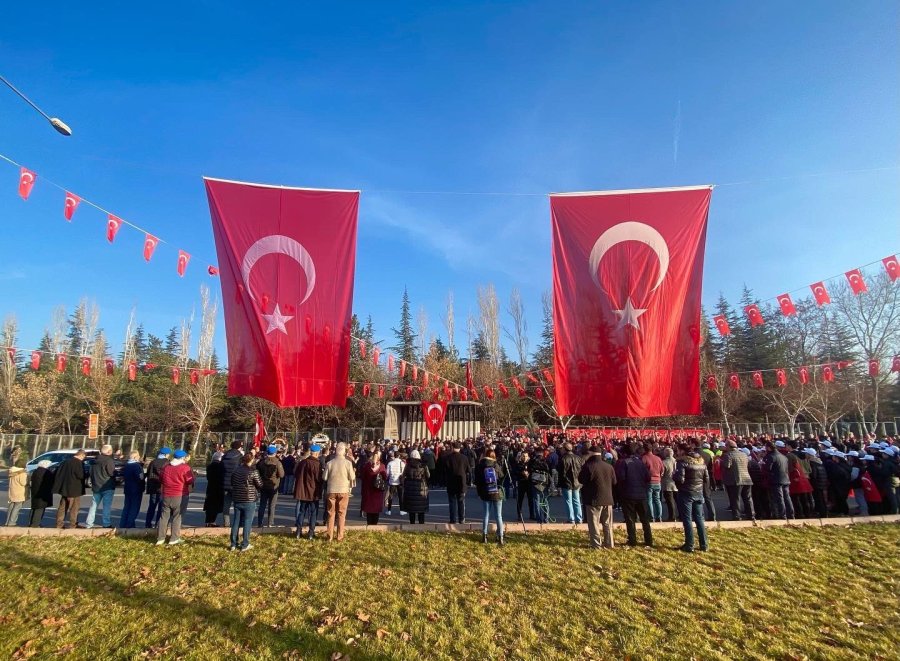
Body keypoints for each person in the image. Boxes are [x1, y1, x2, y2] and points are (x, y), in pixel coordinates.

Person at [578, 445, 617, 549]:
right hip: (608, 498)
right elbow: (614, 482)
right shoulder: (609, 466)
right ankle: (609, 543)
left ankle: (596, 544)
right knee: (607, 523)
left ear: (590, 453)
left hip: (593, 499)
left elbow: (581, 480)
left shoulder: (588, 466)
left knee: (594, 523)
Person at [673, 446, 710, 553]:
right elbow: (706, 479)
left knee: (687, 519)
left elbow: (680, 479)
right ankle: (704, 544)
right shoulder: (702, 464)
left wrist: (674, 477)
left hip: (686, 493)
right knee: (699, 519)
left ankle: (689, 544)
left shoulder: (683, 463)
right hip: (698, 492)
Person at [615, 444, 653, 547]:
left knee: (630, 519)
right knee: (645, 519)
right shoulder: (640, 462)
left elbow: (621, 477)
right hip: (641, 494)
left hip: (628, 495)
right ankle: (649, 540)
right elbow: (648, 477)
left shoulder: (624, 463)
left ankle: (632, 540)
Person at [156, 449, 194, 546]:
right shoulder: (185, 467)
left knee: (164, 517)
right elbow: (190, 481)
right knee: (177, 517)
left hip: (166, 495)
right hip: (180, 495)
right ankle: (174, 538)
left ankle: (160, 538)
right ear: (182, 458)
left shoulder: (166, 467)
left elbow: (160, 479)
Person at [322, 442, 356, 541]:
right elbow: (353, 477)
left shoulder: (330, 463)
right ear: (344, 451)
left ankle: (329, 536)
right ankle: (340, 536)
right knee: (341, 513)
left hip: (331, 490)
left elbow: (324, 477)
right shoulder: (348, 463)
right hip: (343, 490)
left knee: (330, 513)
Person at [229, 452, 262, 551]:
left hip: (237, 498)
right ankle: (245, 543)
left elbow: (232, 482)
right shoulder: (253, 471)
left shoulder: (236, 471)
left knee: (236, 521)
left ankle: (233, 543)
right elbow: (260, 484)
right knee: (247, 522)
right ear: (251, 460)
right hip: (249, 499)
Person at [473, 448, 505, 544]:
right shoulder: (496, 465)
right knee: (498, 515)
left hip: (485, 492)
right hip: (496, 492)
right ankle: (500, 536)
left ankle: (484, 536)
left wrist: (479, 493)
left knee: (486, 514)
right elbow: (502, 476)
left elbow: (477, 481)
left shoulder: (480, 465)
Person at [294, 444, 324, 539]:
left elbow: (296, 474)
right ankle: (311, 533)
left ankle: (298, 532)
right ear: (317, 453)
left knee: (302, 511)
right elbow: (319, 479)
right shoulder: (317, 464)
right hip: (313, 492)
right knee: (313, 512)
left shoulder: (303, 462)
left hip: (303, 492)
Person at [85, 444, 117, 529]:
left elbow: (90, 473)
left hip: (96, 486)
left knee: (93, 506)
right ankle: (106, 523)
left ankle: (89, 523)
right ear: (109, 451)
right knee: (106, 506)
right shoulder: (109, 461)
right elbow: (111, 473)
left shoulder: (94, 461)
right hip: (107, 486)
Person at [53, 449, 86, 529]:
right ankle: (73, 524)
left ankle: (59, 524)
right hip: (74, 490)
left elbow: (57, 473)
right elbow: (80, 475)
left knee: (62, 507)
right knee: (74, 508)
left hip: (64, 489)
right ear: (81, 455)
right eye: (83, 457)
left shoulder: (65, 462)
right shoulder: (78, 463)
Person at [722, 441, 755, 521]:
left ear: (728, 446)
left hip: (735, 480)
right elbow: (748, 465)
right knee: (748, 498)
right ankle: (751, 515)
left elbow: (727, 466)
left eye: (725, 446)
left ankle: (737, 516)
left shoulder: (728, 455)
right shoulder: (744, 454)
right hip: (747, 479)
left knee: (735, 499)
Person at [764, 441, 794, 520]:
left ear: (769, 448)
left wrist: (763, 464)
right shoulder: (784, 456)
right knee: (787, 498)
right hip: (785, 479)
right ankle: (791, 514)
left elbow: (768, 468)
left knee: (780, 498)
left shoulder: (771, 456)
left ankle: (782, 515)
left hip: (776, 480)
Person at [256, 444, 285, 527]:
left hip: (264, 485)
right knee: (272, 506)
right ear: (275, 453)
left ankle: (259, 522)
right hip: (274, 486)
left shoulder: (261, 462)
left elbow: (258, 472)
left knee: (262, 505)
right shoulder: (277, 462)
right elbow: (282, 475)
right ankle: (270, 523)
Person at [401, 449, 430, 524]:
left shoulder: (408, 465)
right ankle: (421, 525)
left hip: (410, 488)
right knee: (421, 510)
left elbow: (403, 475)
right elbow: (428, 476)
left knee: (411, 510)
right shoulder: (423, 465)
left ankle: (412, 525)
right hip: (421, 487)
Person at [144, 447, 171, 529]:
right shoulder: (167, 463)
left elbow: (148, 473)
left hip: (152, 487)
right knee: (161, 507)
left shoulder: (153, 462)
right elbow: (166, 475)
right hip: (162, 487)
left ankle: (148, 524)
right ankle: (158, 524)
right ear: (166, 454)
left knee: (151, 506)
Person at [444, 443, 470, 524]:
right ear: (459, 448)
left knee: (452, 502)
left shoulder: (448, 458)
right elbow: (468, 470)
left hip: (451, 482)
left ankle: (452, 519)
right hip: (461, 482)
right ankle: (461, 519)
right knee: (461, 502)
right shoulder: (464, 458)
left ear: (452, 448)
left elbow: (445, 471)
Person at [558, 443, 584, 525]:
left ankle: (571, 519)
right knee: (577, 501)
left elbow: (561, 472)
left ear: (565, 449)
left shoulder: (563, 459)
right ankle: (579, 518)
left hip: (567, 483)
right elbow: (582, 469)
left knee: (568, 501)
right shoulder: (578, 458)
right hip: (577, 482)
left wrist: (559, 484)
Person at [360, 450, 388, 525]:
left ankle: (369, 526)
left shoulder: (367, 466)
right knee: (376, 511)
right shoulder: (382, 466)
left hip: (368, 490)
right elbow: (385, 477)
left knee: (369, 511)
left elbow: (362, 476)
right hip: (377, 491)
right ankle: (375, 526)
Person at [220, 441, 244, 528]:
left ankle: (226, 523)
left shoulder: (224, 456)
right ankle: (238, 523)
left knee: (226, 505)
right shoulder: (240, 457)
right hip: (236, 484)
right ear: (238, 447)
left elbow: (221, 469)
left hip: (225, 483)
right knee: (238, 505)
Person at [120, 451, 145, 529]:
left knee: (126, 507)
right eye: (138, 456)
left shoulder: (126, 465)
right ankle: (130, 525)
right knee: (134, 508)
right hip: (136, 489)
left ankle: (123, 524)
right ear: (135, 457)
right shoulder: (136, 466)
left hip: (127, 488)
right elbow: (140, 478)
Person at [641, 445, 664, 523]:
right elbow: (662, 469)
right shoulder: (658, 458)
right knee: (657, 500)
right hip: (658, 481)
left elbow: (642, 470)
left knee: (649, 500)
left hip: (649, 481)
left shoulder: (644, 458)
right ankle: (659, 516)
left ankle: (651, 517)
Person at [29, 460, 54, 527]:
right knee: (40, 509)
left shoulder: (35, 471)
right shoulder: (47, 472)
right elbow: (51, 482)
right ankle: (35, 524)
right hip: (43, 493)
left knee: (34, 508)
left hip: (35, 492)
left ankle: (31, 523)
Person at [527, 451, 551, 523]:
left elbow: (529, 470)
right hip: (544, 483)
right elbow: (548, 471)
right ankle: (546, 518)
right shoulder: (545, 462)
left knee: (537, 501)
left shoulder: (532, 462)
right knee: (545, 501)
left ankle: (539, 518)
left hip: (535, 483)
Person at [203, 451, 225, 526]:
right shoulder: (221, 466)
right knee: (216, 506)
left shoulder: (209, 466)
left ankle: (207, 521)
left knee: (209, 505)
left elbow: (208, 477)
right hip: (218, 488)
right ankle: (212, 521)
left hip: (210, 487)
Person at [514, 451, 535, 521]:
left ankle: (532, 514)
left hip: (529, 483)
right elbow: (515, 472)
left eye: (526, 456)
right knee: (520, 500)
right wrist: (521, 472)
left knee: (531, 500)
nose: (525, 457)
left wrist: (529, 473)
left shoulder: (530, 463)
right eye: (523, 456)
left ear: (528, 456)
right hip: (521, 483)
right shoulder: (518, 464)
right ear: (521, 456)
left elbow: (533, 471)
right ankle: (519, 515)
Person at [4, 460, 27, 526]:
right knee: (17, 508)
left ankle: (7, 522)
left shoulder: (11, 471)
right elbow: (23, 483)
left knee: (11, 507)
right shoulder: (22, 473)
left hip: (12, 491)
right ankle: (12, 522)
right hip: (19, 492)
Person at [385, 451, 405, 516]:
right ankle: (401, 510)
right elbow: (404, 473)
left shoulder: (390, 463)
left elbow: (387, 473)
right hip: (400, 481)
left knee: (391, 496)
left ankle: (389, 510)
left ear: (394, 456)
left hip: (392, 481)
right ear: (399, 456)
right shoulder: (402, 463)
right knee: (400, 496)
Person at [661, 448, 678, 522]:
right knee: (678, 501)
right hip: (676, 483)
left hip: (667, 484)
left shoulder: (664, 462)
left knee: (670, 502)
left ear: (666, 454)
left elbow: (662, 473)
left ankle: (672, 516)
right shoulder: (677, 461)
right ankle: (680, 515)